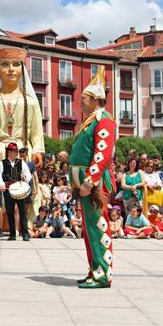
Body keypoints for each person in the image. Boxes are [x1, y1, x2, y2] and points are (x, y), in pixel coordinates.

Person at [0, 48, 44, 235]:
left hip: (23, 151)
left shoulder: (31, 102)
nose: (11, 69)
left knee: (24, 189)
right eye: (5, 65)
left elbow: (37, 130)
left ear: (22, 69)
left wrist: (38, 149)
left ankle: (25, 226)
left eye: (16, 64)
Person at [69, 66, 116, 289]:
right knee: (89, 231)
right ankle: (94, 270)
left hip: (94, 185)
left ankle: (103, 275)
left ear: (96, 99)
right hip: (85, 185)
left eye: (85, 98)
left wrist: (89, 181)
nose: (82, 102)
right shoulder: (90, 121)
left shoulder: (104, 120)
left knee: (98, 227)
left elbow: (103, 153)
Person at [0, 142, 32, 241]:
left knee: (23, 212)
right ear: (9, 152)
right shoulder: (1, 163)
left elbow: (28, 175)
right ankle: (12, 234)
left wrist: (25, 177)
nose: (16, 153)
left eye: (16, 151)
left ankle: (25, 234)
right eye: (14, 151)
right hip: (8, 190)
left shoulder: (21, 162)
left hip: (20, 190)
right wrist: (1, 185)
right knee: (10, 212)